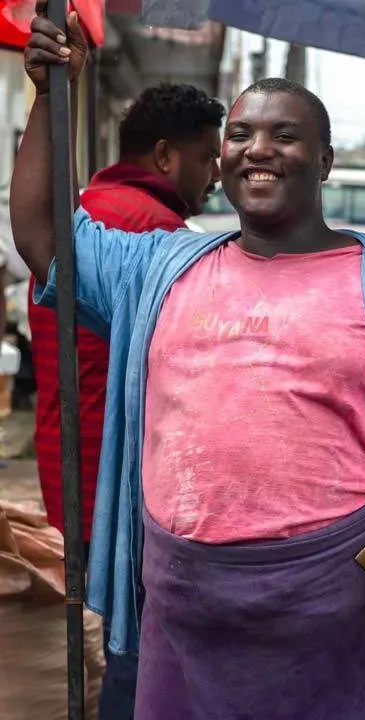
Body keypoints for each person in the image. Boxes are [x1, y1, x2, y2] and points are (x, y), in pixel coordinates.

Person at [12, 6, 365, 719]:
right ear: (220, 160)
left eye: (285, 135)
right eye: (241, 134)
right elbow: (45, 236)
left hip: (332, 627)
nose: (259, 148)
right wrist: (49, 95)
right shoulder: (160, 268)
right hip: (181, 620)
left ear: (324, 161)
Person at [27, 72, 224, 720]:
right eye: (206, 158)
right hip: (123, 481)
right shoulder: (152, 239)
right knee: (142, 646)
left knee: (126, 637)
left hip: (70, 467)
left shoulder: (86, 214)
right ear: (165, 156)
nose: (214, 177)